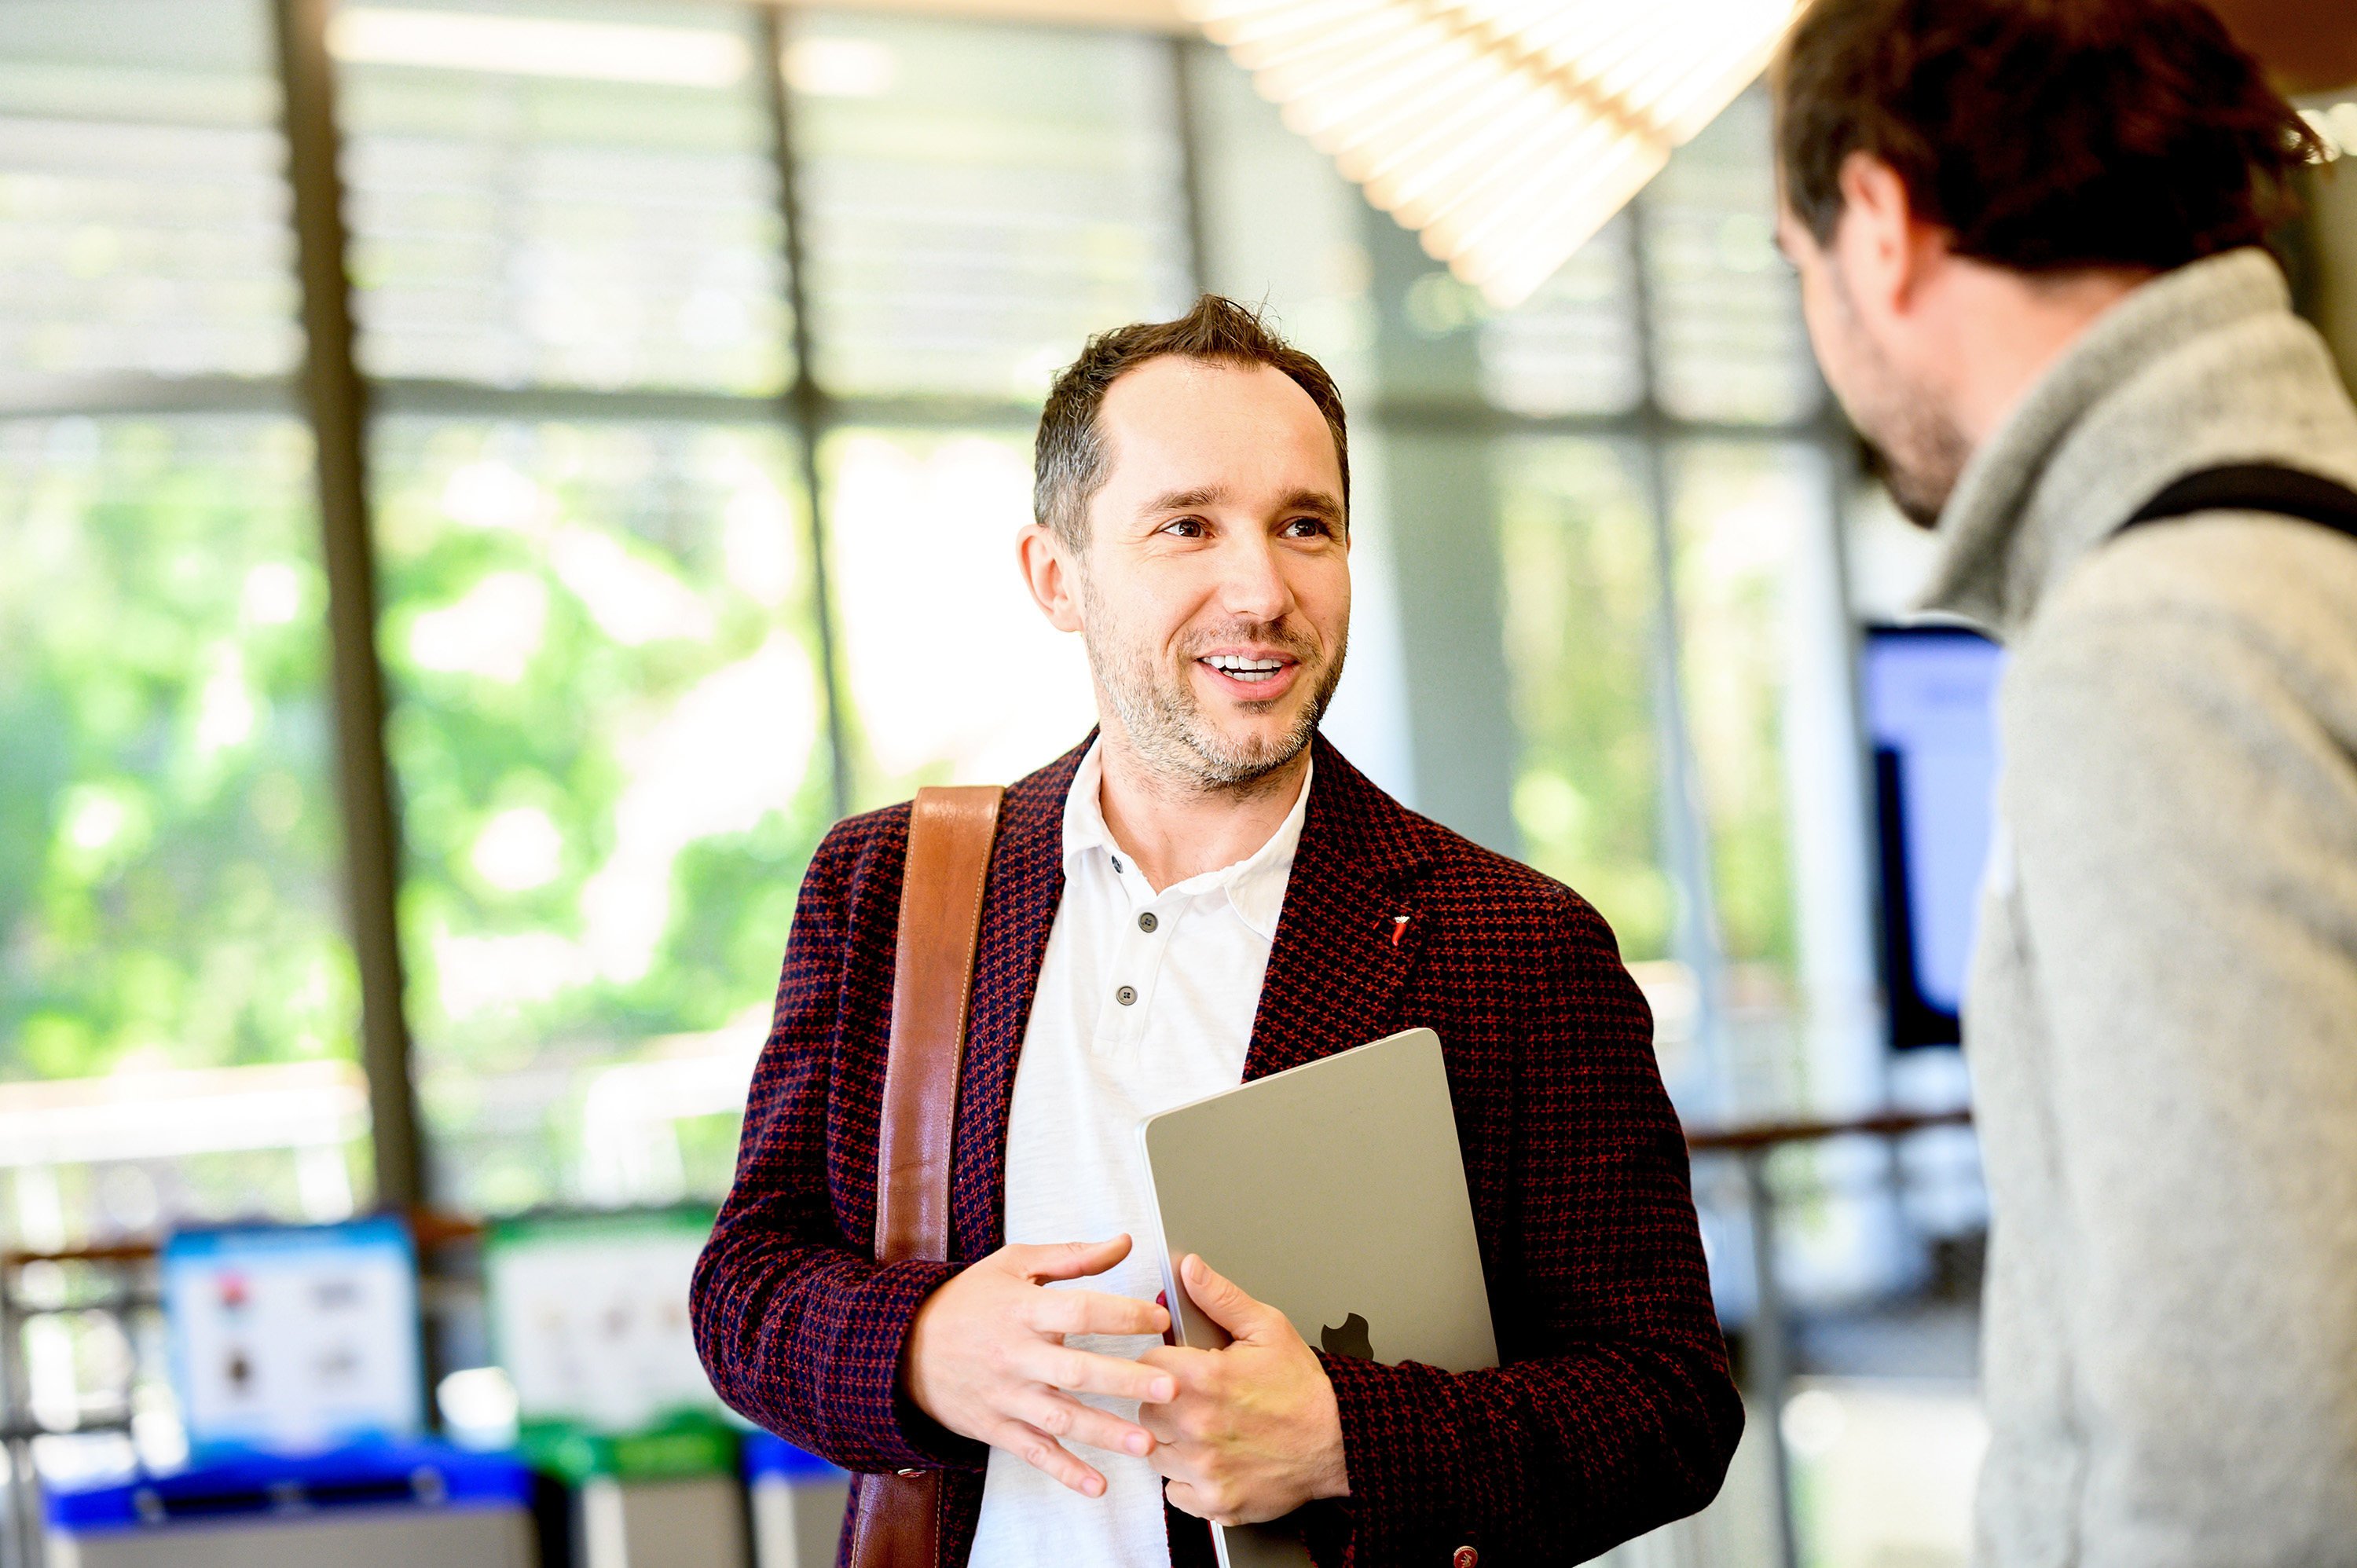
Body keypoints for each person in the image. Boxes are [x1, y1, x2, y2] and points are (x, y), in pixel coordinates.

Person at [691, 297, 1741, 1567]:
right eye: (1186, 525)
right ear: (1057, 578)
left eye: (1306, 526)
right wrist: (920, 1350)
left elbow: (1669, 1402)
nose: (1261, 589)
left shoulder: (1516, 943)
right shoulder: (892, 889)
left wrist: (1350, 1437)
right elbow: (745, 1285)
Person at [1773, 0, 2357, 1561]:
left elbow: (2248, 1429)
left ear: (1877, 228)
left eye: (1798, 266)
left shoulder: (2152, 645)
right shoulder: (2307, 555)